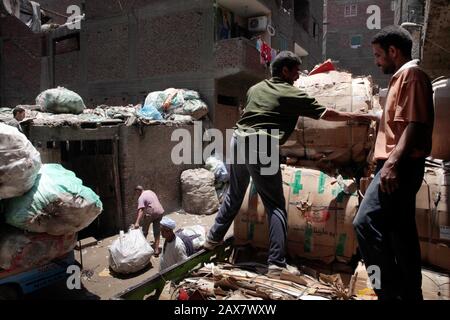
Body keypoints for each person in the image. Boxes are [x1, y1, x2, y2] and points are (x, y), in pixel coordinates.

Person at [203, 50, 377, 277]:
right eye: (295, 70)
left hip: (238, 140)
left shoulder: (255, 88)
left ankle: (212, 239)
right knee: (275, 205)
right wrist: (360, 116)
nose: (297, 76)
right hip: (261, 145)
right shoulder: (293, 93)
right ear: (284, 70)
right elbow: (328, 114)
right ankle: (276, 263)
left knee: (235, 194)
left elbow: (256, 112)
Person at [353, 26, 434, 300]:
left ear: (393, 51)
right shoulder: (402, 79)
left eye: (378, 55)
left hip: (397, 166)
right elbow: (396, 121)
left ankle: (387, 291)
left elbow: (414, 125)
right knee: (400, 237)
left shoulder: (412, 75)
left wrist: (391, 165)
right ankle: (410, 295)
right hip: (397, 165)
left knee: (363, 224)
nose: (376, 62)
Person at [133, 185, 165, 257]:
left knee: (145, 231)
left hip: (151, 214)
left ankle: (142, 248)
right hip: (160, 212)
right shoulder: (150, 191)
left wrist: (137, 222)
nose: (136, 194)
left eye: (136, 193)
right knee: (157, 231)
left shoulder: (141, 197)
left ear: (138, 191)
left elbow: (141, 210)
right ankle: (156, 250)